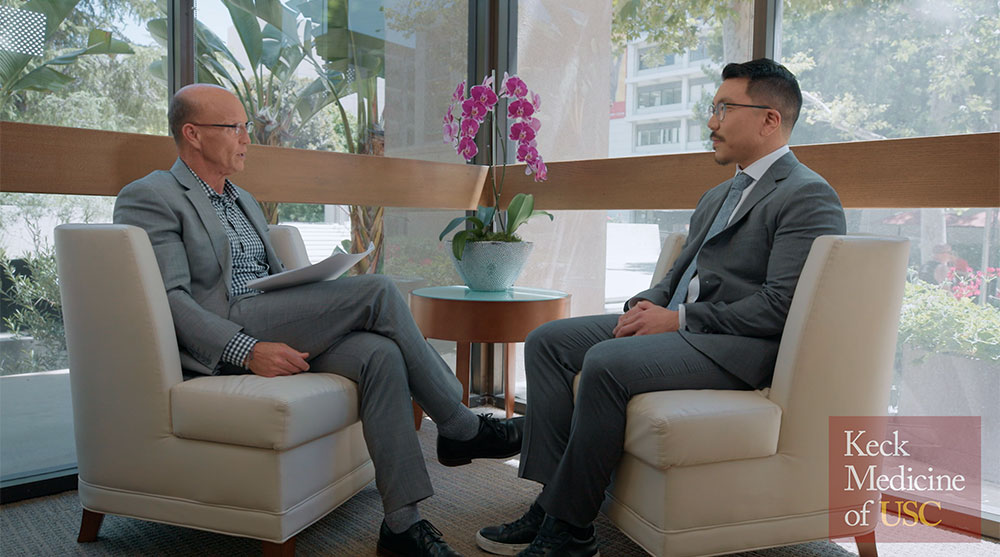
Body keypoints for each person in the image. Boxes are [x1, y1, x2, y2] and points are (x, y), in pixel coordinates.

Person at [114, 83, 522, 557]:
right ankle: (458, 424)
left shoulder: (242, 197)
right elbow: (172, 298)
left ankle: (402, 526)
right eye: (234, 128)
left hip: (268, 310)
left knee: (380, 353)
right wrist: (246, 351)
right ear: (193, 134)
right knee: (380, 290)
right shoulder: (152, 195)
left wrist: (307, 283)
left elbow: (270, 275)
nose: (246, 137)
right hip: (230, 324)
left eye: (246, 126)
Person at [475, 59, 847, 557]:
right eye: (712, 108)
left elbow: (780, 307)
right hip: (682, 327)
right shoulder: (720, 193)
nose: (711, 122)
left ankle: (571, 532)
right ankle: (551, 501)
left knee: (605, 363)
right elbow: (683, 273)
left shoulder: (808, 195)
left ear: (769, 120)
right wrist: (650, 300)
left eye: (723, 108)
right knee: (549, 341)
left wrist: (679, 319)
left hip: (735, 348)